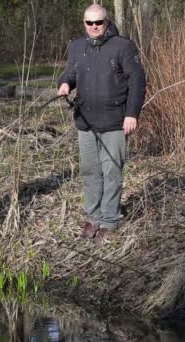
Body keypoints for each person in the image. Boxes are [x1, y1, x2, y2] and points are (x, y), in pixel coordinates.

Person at [57, 4, 146, 241]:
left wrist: (132, 114)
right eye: (90, 23)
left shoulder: (123, 46)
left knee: (111, 171)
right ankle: (93, 216)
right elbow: (70, 73)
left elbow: (137, 81)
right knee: (90, 171)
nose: (94, 27)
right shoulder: (77, 46)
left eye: (99, 22)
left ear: (107, 22)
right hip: (85, 120)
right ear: (84, 23)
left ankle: (109, 219)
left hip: (115, 120)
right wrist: (65, 84)